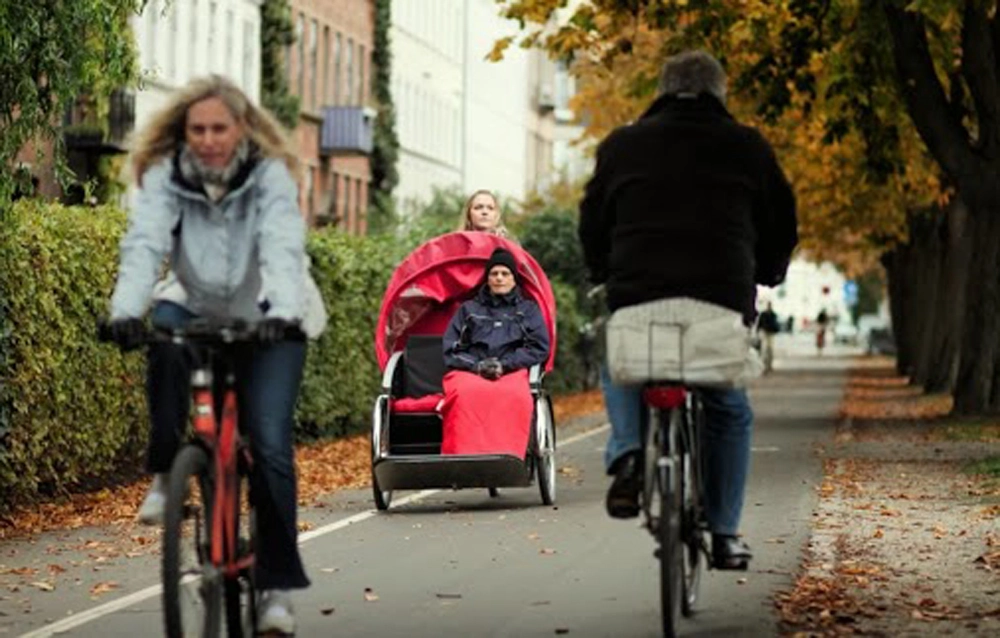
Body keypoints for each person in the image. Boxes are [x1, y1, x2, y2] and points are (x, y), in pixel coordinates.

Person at [103, 75, 326, 634]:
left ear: (241, 129)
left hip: (271, 315)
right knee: (163, 335)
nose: (207, 139)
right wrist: (124, 310)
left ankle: (275, 588)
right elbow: (144, 245)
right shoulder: (166, 178)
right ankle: (166, 472)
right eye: (197, 129)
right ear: (184, 132)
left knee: (271, 449)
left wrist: (279, 310)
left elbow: (281, 243)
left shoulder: (270, 176)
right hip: (195, 303)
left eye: (218, 128)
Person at [579, 50, 798, 568]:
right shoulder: (748, 148)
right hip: (718, 298)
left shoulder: (623, 145)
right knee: (728, 408)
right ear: (719, 94)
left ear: (660, 89)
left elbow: (592, 220)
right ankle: (724, 534)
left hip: (639, 296)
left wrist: (602, 271)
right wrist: (767, 272)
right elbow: (780, 224)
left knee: (624, 361)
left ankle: (630, 453)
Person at [440, 248, 549, 456]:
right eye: (494, 274)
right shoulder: (468, 310)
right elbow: (451, 349)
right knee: (463, 393)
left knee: (514, 395)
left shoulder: (528, 310)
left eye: (505, 274)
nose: (499, 278)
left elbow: (538, 347)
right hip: (472, 370)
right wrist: (477, 366)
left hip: (511, 370)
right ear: (487, 279)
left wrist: (505, 364)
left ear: (514, 279)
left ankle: (511, 454)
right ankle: (462, 454)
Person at [757, 302, 781, 373]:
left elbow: (775, 324)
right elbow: (760, 323)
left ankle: (769, 364)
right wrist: (758, 330)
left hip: (770, 333)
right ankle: (763, 365)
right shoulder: (763, 314)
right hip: (764, 332)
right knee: (764, 349)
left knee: (770, 349)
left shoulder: (773, 314)